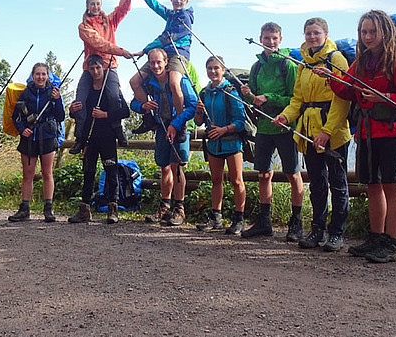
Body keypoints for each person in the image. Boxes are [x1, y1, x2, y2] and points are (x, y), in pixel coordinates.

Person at [322, 10, 396, 262]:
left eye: (372, 32)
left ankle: (390, 243)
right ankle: (375, 237)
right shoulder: (362, 63)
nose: (367, 37)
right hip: (367, 132)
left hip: (392, 131)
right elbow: (347, 90)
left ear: (384, 32)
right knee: (373, 187)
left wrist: (384, 98)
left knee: (391, 186)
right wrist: (330, 77)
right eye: (364, 32)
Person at [273, 18, 352, 251]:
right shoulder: (303, 63)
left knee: (338, 182)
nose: (312, 37)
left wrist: (328, 131)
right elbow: (298, 98)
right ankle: (317, 229)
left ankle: (337, 232)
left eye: (316, 33)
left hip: (333, 129)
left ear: (326, 34)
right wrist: (286, 116)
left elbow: (343, 97)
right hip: (308, 129)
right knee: (317, 182)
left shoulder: (336, 59)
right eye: (308, 33)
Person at [239, 22, 304, 240]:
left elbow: (296, 99)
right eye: (266, 38)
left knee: (292, 173)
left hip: (286, 126)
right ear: (260, 38)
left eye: (274, 38)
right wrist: (250, 94)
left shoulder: (289, 65)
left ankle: (296, 223)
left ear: (281, 39)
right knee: (264, 173)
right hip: (265, 127)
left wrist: (270, 98)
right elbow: (256, 100)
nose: (270, 42)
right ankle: (264, 222)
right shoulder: (256, 67)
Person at [71, 0, 137, 155]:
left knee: (114, 96)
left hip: (110, 66)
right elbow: (98, 43)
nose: (95, 6)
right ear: (87, 6)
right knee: (80, 99)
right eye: (92, 4)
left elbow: (123, 7)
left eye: (98, 3)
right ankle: (80, 138)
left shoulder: (109, 21)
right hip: (90, 68)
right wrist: (121, 51)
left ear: (101, 5)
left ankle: (118, 130)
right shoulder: (83, 26)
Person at [130, 48, 198, 226]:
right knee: (164, 167)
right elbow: (133, 103)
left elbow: (191, 106)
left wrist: (176, 124)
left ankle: (179, 209)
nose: (155, 66)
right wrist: (143, 106)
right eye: (152, 62)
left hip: (180, 125)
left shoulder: (179, 80)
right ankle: (164, 207)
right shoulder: (149, 83)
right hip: (161, 126)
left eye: (159, 62)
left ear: (166, 62)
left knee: (177, 167)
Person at [68, 54, 131, 224]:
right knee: (88, 173)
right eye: (92, 68)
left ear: (104, 67)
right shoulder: (86, 90)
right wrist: (72, 110)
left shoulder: (111, 89)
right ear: (87, 70)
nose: (95, 71)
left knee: (111, 173)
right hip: (89, 137)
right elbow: (75, 113)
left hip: (108, 136)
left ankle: (113, 209)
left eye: (98, 67)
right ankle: (84, 210)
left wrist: (106, 115)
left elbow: (126, 111)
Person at [130, 0, 194, 132]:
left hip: (178, 53)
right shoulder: (170, 14)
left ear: (186, 1)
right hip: (162, 54)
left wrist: (144, 50)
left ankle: (180, 123)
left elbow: (167, 37)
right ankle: (148, 118)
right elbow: (154, 4)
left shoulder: (185, 17)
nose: (178, 1)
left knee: (174, 82)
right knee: (135, 81)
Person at [194, 55, 247, 234]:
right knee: (216, 181)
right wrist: (198, 112)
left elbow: (241, 121)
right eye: (210, 68)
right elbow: (199, 122)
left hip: (232, 143)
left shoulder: (231, 91)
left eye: (216, 68)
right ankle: (216, 217)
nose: (213, 71)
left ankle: (239, 219)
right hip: (214, 144)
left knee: (237, 180)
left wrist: (223, 130)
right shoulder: (204, 93)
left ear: (223, 70)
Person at [9, 62, 65, 223]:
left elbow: (60, 116)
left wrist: (58, 99)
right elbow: (16, 116)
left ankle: (48, 209)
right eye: (38, 74)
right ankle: (24, 209)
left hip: (47, 136)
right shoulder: (26, 93)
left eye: (43, 74)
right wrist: (22, 129)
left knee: (47, 173)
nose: (40, 77)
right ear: (33, 76)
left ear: (48, 76)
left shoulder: (53, 93)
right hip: (29, 137)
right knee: (28, 174)